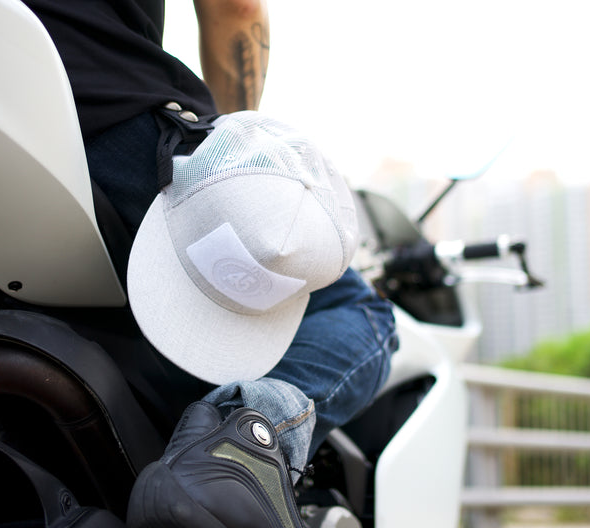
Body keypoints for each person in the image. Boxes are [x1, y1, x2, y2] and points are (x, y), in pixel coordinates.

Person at [22, 1, 398, 527]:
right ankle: (240, 448)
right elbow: (236, 10)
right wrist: (230, 158)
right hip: (102, 111)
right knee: (361, 312)